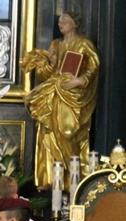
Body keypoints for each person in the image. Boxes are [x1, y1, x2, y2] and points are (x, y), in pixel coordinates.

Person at [22, 11, 99, 190]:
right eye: (59, 20)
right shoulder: (55, 44)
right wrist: (51, 64)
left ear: (75, 23)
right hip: (53, 94)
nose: (60, 23)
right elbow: (43, 75)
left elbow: (94, 66)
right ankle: (49, 179)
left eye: (65, 20)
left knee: (68, 133)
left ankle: (72, 180)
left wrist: (80, 80)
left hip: (72, 97)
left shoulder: (84, 43)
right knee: (48, 133)